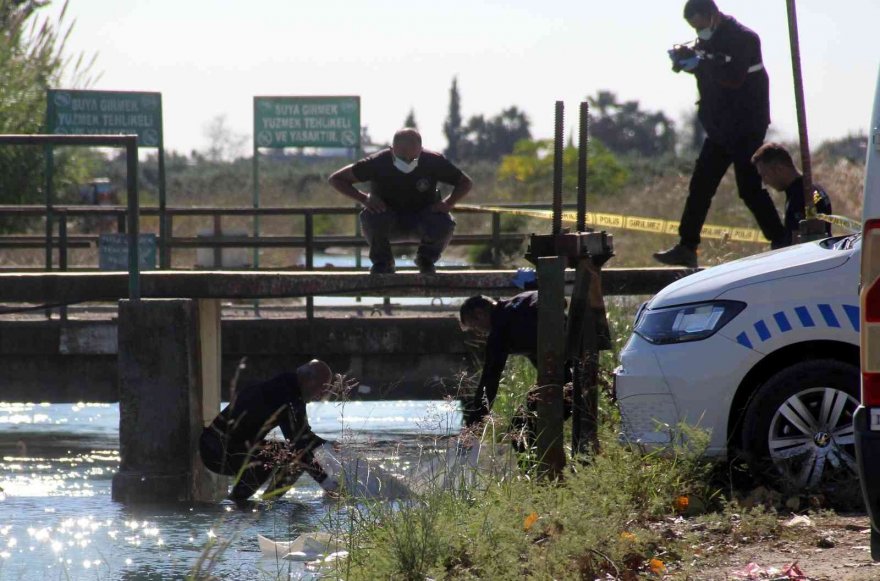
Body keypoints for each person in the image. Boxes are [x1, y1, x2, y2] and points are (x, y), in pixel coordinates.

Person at [655, 0, 785, 268]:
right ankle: (687, 246)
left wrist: (699, 64)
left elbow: (733, 78)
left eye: (699, 25)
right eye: (693, 28)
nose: (698, 31)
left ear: (713, 16)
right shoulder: (706, 41)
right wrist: (686, 61)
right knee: (700, 186)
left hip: (746, 127)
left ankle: (782, 242)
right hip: (721, 129)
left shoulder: (746, 38)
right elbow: (710, 73)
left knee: (749, 189)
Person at [328, 128, 473, 274]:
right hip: (388, 220)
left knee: (445, 222)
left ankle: (425, 259)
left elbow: (465, 182)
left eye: (413, 158)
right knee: (370, 216)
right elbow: (336, 179)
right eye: (402, 158)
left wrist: (448, 203)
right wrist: (364, 198)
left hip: (422, 220)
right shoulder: (377, 162)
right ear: (392, 150)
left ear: (421, 150)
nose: (408, 162)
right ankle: (383, 262)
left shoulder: (433, 161)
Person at [199, 359, 334, 505]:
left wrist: (327, 446)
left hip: (225, 446)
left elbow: (303, 437)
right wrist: (329, 485)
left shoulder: (291, 388)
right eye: (322, 388)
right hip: (217, 451)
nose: (322, 395)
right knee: (287, 456)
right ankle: (241, 504)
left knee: (290, 455)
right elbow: (300, 444)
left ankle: (266, 503)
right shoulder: (285, 395)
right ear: (308, 380)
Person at [459, 293, 573, 449]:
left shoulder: (500, 331)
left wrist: (473, 427)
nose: (479, 332)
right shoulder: (519, 302)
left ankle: (543, 470)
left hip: (564, 380)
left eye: (475, 326)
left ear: (480, 314)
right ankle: (548, 467)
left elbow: (488, 383)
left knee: (518, 432)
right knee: (522, 429)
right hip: (569, 370)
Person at [751, 142, 832, 246]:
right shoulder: (814, 189)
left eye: (765, 175)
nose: (765, 182)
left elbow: (796, 246)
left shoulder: (800, 196)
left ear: (779, 168)